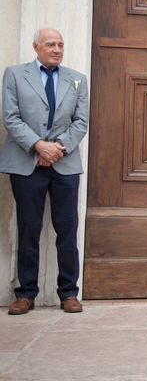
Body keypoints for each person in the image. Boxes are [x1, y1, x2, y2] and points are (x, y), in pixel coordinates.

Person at [1, 28, 89, 314]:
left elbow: (80, 121)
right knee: (29, 227)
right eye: (51, 44)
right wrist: (38, 146)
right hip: (26, 163)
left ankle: (68, 292)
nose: (57, 49)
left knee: (67, 228)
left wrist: (56, 149)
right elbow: (11, 118)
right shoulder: (15, 75)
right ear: (36, 46)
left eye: (61, 44)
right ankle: (26, 293)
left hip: (64, 163)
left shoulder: (77, 79)